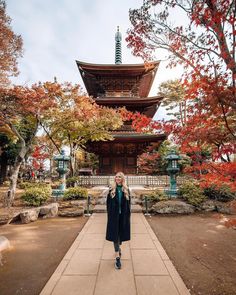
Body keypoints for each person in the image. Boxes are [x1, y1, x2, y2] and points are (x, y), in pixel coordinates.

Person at [105, 172, 131, 270]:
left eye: (119, 177)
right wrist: (110, 215)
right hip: (114, 216)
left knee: (120, 235)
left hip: (123, 216)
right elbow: (108, 204)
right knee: (115, 236)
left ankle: (118, 247)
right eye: (116, 177)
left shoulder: (126, 190)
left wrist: (128, 216)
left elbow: (129, 205)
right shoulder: (111, 190)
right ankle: (117, 258)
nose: (117, 178)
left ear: (122, 178)